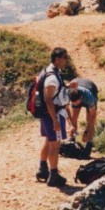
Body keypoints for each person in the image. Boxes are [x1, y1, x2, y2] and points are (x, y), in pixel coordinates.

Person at [37, 47, 76, 187]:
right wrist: (55, 121)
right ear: (57, 59)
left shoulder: (50, 71)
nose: (67, 60)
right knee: (55, 145)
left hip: (46, 114)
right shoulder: (53, 78)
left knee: (49, 140)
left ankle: (42, 169)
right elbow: (49, 99)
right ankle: (53, 176)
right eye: (65, 57)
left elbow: (55, 94)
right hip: (52, 115)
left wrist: (67, 87)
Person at [67, 78, 99, 157]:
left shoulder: (88, 96)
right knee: (73, 118)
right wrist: (71, 125)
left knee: (90, 122)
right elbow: (65, 111)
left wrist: (86, 131)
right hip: (76, 86)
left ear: (81, 98)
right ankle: (72, 140)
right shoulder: (68, 93)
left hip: (91, 89)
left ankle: (89, 145)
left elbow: (93, 115)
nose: (74, 105)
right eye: (72, 103)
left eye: (76, 103)